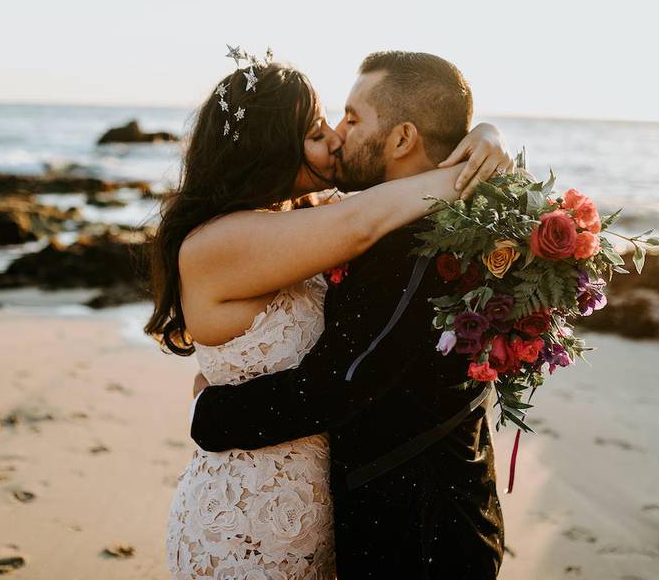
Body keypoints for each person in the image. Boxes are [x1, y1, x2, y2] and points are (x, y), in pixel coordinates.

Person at [150, 51, 512, 579]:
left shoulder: (304, 220)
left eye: (344, 121)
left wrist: (487, 137)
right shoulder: (218, 243)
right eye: (319, 133)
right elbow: (363, 223)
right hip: (244, 517)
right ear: (274, 150)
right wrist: (464, 172)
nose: (338, 139)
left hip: (328, 518)